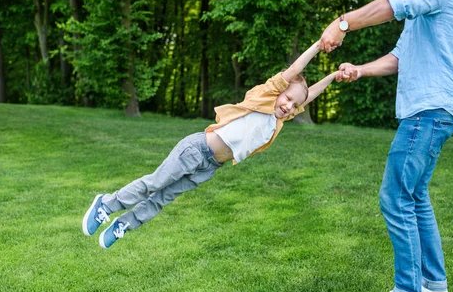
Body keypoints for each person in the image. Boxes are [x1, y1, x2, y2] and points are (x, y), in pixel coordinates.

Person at [319, 0, 453, 292]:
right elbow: (400, 57)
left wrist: (344, 22)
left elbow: (392, 4)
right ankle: (434, 288)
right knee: (415, 195)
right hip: (434, 107)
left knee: (394, 196)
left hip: (429, 108)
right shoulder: (430, 1)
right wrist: (360, 70)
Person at [82, 41, 338, 249]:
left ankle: (124, 223)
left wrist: (333, 75)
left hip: (210, 166)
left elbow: (308, 95)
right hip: (196, 150)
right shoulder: (263, 98)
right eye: (288, 99)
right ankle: (106, 204)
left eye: (294, 106)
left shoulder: (278, 121)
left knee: (163, 198)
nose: (289, 106)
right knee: (155, 183)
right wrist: (319, 45)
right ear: (279, 90)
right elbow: (294, 71)